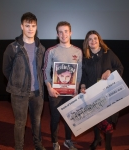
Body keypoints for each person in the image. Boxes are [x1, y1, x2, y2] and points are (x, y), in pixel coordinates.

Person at [3, 12, 46, 150]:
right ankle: (19, 147)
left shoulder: (41, 48)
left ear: (36, 27)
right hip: (19, 93)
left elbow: (42, 69)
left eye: (33, 25)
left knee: (37, 121)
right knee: (20, 123)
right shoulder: (13, 48)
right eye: (27, 25)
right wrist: (17, 82)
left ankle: (38, 145)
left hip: (37, 93)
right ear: (21, 26)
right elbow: (6, 69)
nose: (30, 28)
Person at [80, 30, 124, 150]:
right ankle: (97, 138)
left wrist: (111, 71)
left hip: (108, 94)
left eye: (95, 38)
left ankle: (108, 145)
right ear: (87, 43)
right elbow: (83, 76)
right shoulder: (86, 58)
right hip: (91, 93)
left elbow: (120, 67)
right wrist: (83, 86)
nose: (93, 41)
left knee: (107, 121)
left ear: (99, 40)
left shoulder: (108, 53)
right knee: (95, 119)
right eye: (90, 39)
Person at [43, 21, 82, 150]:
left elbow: (79, 71)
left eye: (66, 31)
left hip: (71, 92)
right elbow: (45, 70)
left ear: (70, 33)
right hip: (56, 92)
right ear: (57, 34)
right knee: (55, 118)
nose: (63, 34)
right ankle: (55, 142)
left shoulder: (78, 51)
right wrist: (49, 88)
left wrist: (76, 88)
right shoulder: (51, 51)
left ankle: (68, 140)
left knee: (70, 117)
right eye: (60, 32)